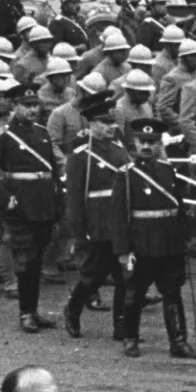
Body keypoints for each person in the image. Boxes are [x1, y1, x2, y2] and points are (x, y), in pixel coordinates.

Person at [115, 117, 196, 359]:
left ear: (159, 144)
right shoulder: (125, 175)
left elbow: (178, 206)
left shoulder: (168, 171)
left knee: (172, 293)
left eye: (152, 142)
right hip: (140, 244)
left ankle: (178, 342)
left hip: (169, 243)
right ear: (134, 143)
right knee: (134, 293)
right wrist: (123, 251)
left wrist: (185, 235)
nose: (146, 146)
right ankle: (130, 338)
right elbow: (119, 216)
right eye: (142, 141)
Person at [0, 81, 64, 332]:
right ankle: (25, 313)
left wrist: (58, 199)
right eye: (26, 106)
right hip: (20, 207)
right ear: (14, 107)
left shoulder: (42, 133)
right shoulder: (4, 136)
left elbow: (51, 171)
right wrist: (6, 199)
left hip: (44, 204)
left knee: (37, 259)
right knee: (26, 261)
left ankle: (34, 311)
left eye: (34, 105)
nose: (32, 110)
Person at [61, 90, 129, 342]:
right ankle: (73, 309)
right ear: (91, 124)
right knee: (94, 276)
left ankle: (121, 326)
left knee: (125, 275)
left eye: (112, 122)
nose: (110, 127)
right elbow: (75, 200)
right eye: (104, 123)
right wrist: (79, 234)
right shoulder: (81, 156)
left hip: (121, 223)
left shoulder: (119, 151)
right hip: (98, 225)